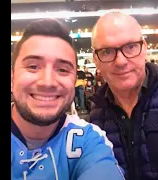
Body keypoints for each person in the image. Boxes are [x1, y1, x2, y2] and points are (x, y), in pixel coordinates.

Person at [11, 18, 125, 180]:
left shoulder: (89, 140)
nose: (48, 82)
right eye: (33, 66)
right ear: (12, 77)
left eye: (63, 69)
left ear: (73, 81)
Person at [89, 12, 158, 180]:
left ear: (144, 47)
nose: (121, 61)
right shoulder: (95, 118)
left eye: (131, 47)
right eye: (107, 51)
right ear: (96, 59)